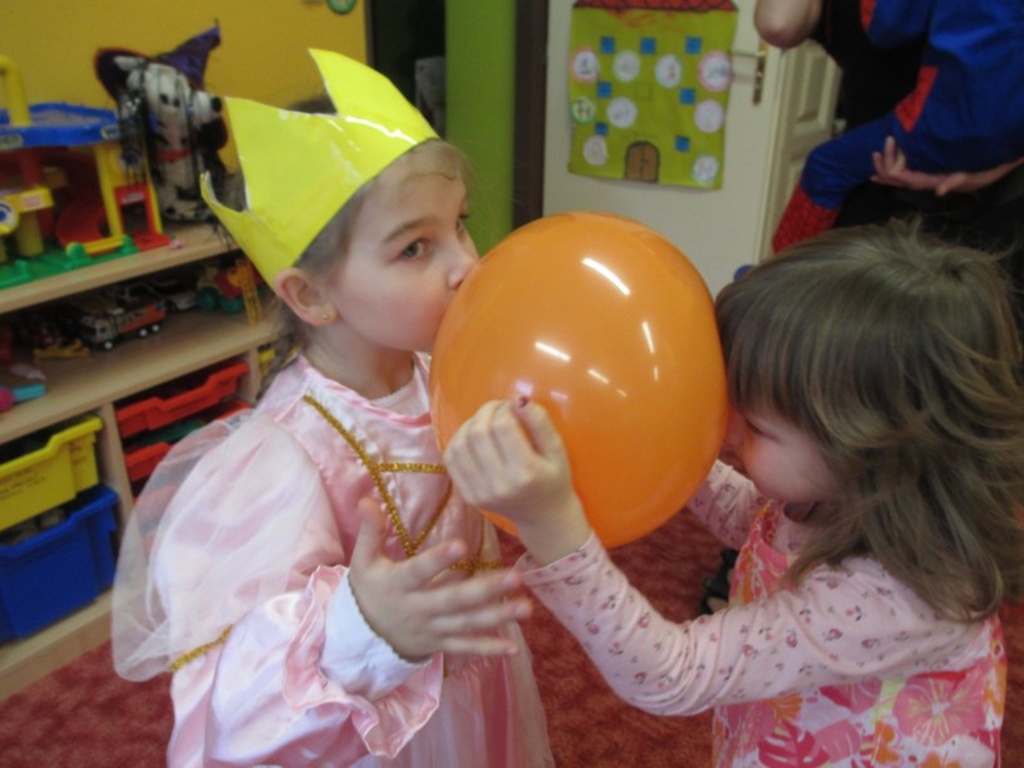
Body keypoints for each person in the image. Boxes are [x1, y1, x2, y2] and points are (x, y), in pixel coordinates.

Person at [110, 49, 554, 768]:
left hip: (472, 685)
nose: (467, 265)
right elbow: (234, 714)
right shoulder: (283, 461)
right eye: (415, 247)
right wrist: (364, 630)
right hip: (381, 726)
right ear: (311, 295)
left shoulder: (447, 371)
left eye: (460, 225)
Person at [444, 220, 1024, 766]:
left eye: (758, 427)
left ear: (870, 452)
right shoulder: (847, 497)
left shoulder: (897, 598)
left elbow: (671, 673)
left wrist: (554, 527)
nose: (724, 430)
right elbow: (755, 522)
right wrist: (664, 436)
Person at [760, 0, 1024, 254]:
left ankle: (781, 274)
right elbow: (778, 24)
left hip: (929, 136)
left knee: (824, 168)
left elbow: (889, 27)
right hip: (997, 143)